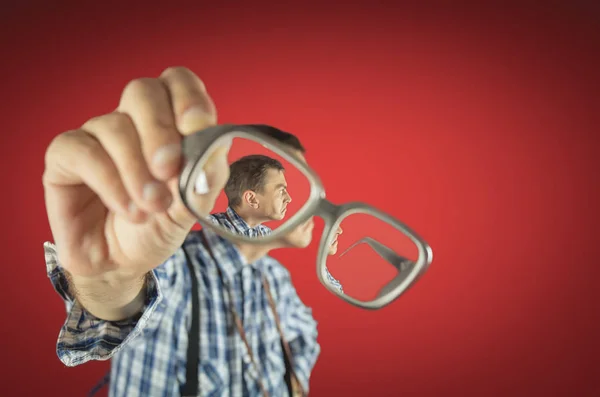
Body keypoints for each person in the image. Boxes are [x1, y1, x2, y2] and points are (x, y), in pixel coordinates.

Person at [42, 67, 318, 397]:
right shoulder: (178, 260)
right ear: (251, 198)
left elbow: (305, 336)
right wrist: (110, 272)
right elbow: (119, 297)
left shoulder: (275, 276)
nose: (304, 202)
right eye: (287, 187)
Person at [208, 125, 345, 294]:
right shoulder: (208, 229)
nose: (289, 198)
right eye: (281, 191)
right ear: (252, 199)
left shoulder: (266, 236)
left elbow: (333, 293)